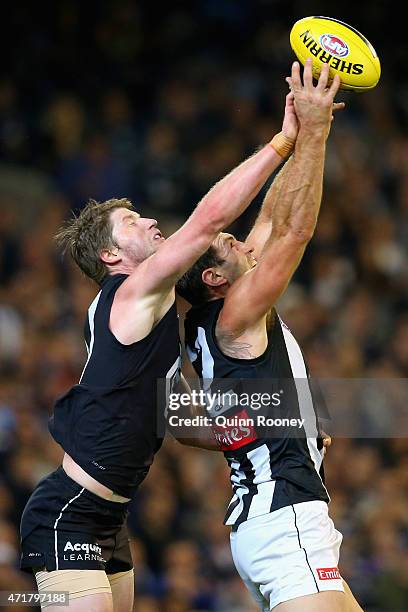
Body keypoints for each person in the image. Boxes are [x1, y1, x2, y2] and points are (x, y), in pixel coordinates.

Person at [19, 70, 301, 612]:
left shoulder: (152, 313)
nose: (149, 220)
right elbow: (208, 220)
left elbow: (173, 418)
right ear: (110, 257)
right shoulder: (128, 291)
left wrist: (271, 432)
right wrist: (282, 143)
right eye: (131, 220)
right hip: (69, 511)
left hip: (109, 517)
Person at [176, 59, 362, 611]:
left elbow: (275, 217)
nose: (242, 241)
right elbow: (297, 231)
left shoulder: (209, 323)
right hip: (286, 522)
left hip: (271, 521)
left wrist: (299, 134)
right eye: (230, 243)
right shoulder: (235, 315)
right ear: (214, 278)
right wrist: (320, 132)